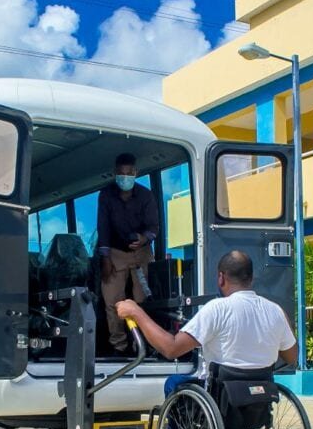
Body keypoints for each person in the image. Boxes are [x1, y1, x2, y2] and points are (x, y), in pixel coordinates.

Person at [116, 250, 297, 397]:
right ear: (251, 279)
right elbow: (291, 357)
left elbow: (170, 349)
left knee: (173, 383)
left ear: (221, 278)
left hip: (223, 396)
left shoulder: (218, 309)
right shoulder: (275, 310)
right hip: (260, 397)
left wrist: (136, 312)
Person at [97, 152, 159, 355]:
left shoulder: (146, 195)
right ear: (115, 173)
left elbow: (154, 227)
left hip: (141, 251)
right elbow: (103, 227)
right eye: (121, 173)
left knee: (144, 299)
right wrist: (105, 258)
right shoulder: (106, 195)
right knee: (112, 300)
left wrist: (144, 238)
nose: (125, 177)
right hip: (114, 252)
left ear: (135, 173)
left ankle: (143, 343)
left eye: (129, 173)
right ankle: (119, 346)